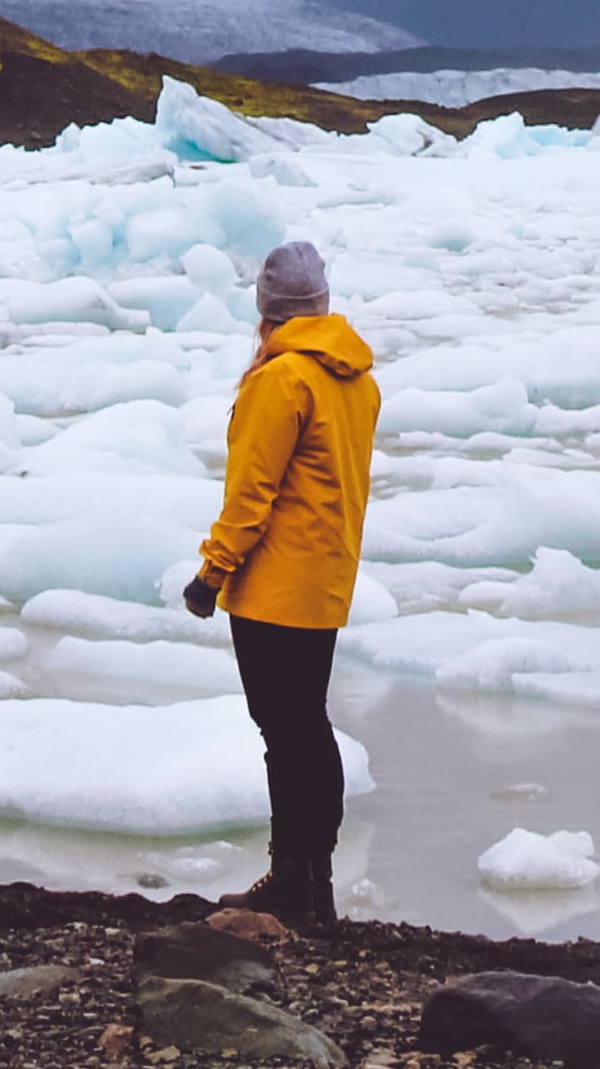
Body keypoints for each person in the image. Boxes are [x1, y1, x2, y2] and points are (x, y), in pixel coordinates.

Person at [182, 233, 379, 927]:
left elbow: (252, 494)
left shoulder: (280, 380)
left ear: (268, 310)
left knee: (285, 732)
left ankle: (293, 880)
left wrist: (212, 573)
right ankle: (311, 880)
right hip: (324, 579)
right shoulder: (353, 377)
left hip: (274, 584)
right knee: (307, 729)